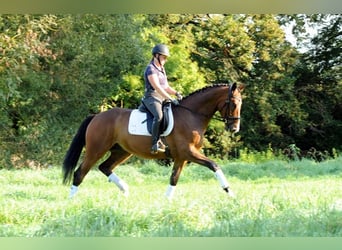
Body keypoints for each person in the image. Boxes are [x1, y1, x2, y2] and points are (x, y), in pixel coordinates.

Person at [141, 44, 182, 154]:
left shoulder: (161, 69)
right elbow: (157, 87)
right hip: (151, 97)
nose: (165, 60)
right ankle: (155, 143)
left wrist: (176, 93)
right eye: (164, 57)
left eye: (166, 58)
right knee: (159, 116)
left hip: (161, 97)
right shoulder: (151, 69)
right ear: (156, 56)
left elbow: (166, 87)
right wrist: (170, 98)